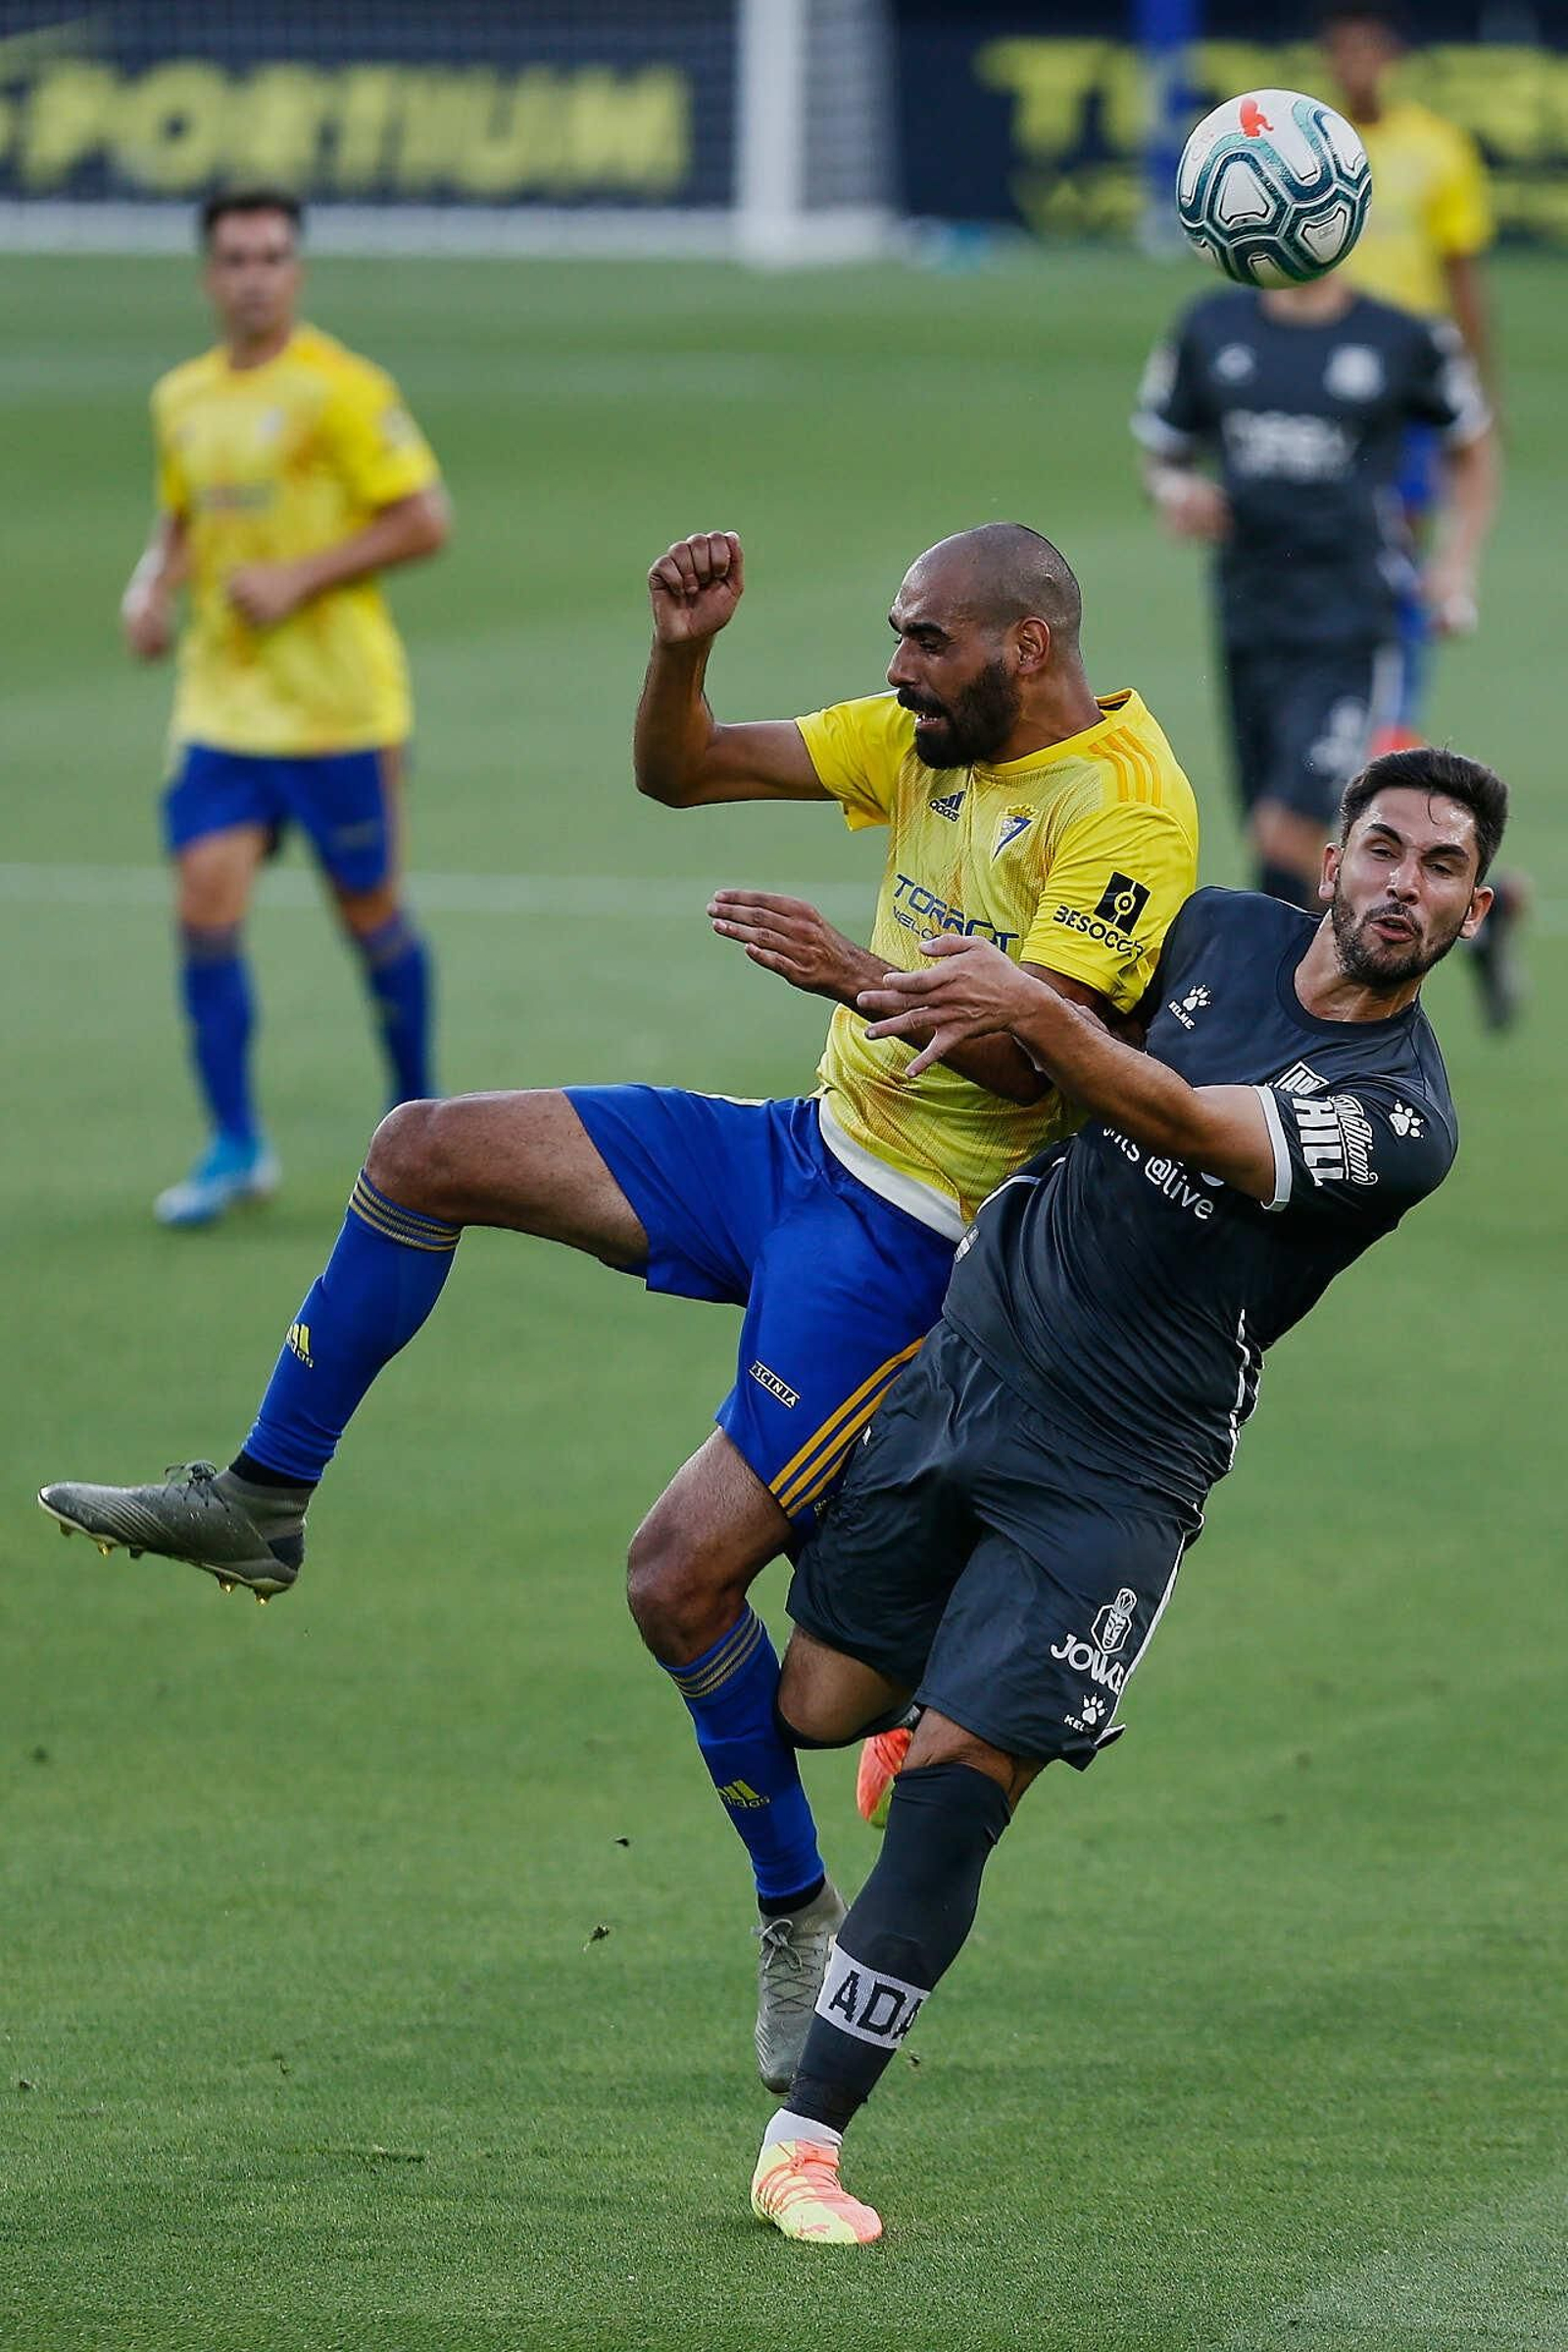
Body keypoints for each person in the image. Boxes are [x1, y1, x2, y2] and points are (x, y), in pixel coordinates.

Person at [40, 522, 1200, 2095]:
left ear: (1027, 649)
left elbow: (1052, 1056)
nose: (896, 669)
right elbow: (685, 770)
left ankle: (798, 1920)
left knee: (675, 1583)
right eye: (895, 635)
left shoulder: (1125, 809)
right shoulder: (926, 741)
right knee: (423, 1149)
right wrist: (681, 649)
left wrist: (855, 977)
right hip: (797, 1154)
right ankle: (263, 1497)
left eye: (927, 641)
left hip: (914, 1248)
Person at [743, 744, 1506, 2242]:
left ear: (1477, 909)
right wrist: (868, 977)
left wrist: (1033, 1002)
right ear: (1331, 859)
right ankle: (921, 1702)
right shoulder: (1214, 930)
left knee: (956, 1806)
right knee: (818, 1708)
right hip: (972, 1360)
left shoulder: (1404, 1115)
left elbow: (1182, 1123)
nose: (1403, 885)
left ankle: (802, 2144)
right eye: (1385, 850)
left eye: (1440, 869)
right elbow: (1039, 1063)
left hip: (1123, 1469)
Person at [124, 188, 450, 1226]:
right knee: (202, 913)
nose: (253, 274)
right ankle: (235, 1144)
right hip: (222, 707)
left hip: (337, 710)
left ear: (296, 273)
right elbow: (181, 516)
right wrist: (149, 586)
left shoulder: (343, 391)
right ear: (207, 276)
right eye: (234, 257)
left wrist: (300, 577)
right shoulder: (181, 396)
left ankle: (425, 1125)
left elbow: (424, 519)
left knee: (369, 919)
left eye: (271, 256)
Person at [1132, 265, 1496, 914]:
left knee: (1290, 830)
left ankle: (1303, 1001)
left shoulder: (1402, 337)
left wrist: (1456, 563)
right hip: (1249, 618)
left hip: (1353, 622)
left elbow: (1471, 446)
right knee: (1280, 843)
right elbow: (1164, 450)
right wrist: (1176, 490)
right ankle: (1329, 992)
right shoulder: (1210, 327)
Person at [1320, 2, 1527, 1023]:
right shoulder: (1301, 148)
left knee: (1382, 620)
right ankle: (1492, 901)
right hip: (1320, 418)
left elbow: (1460, 274)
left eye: (1369, 43)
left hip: (1398, 415)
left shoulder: (1435, 152)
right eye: (1340, 43)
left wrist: (1473, 397)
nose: (1354, 59)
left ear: (1390, 56)